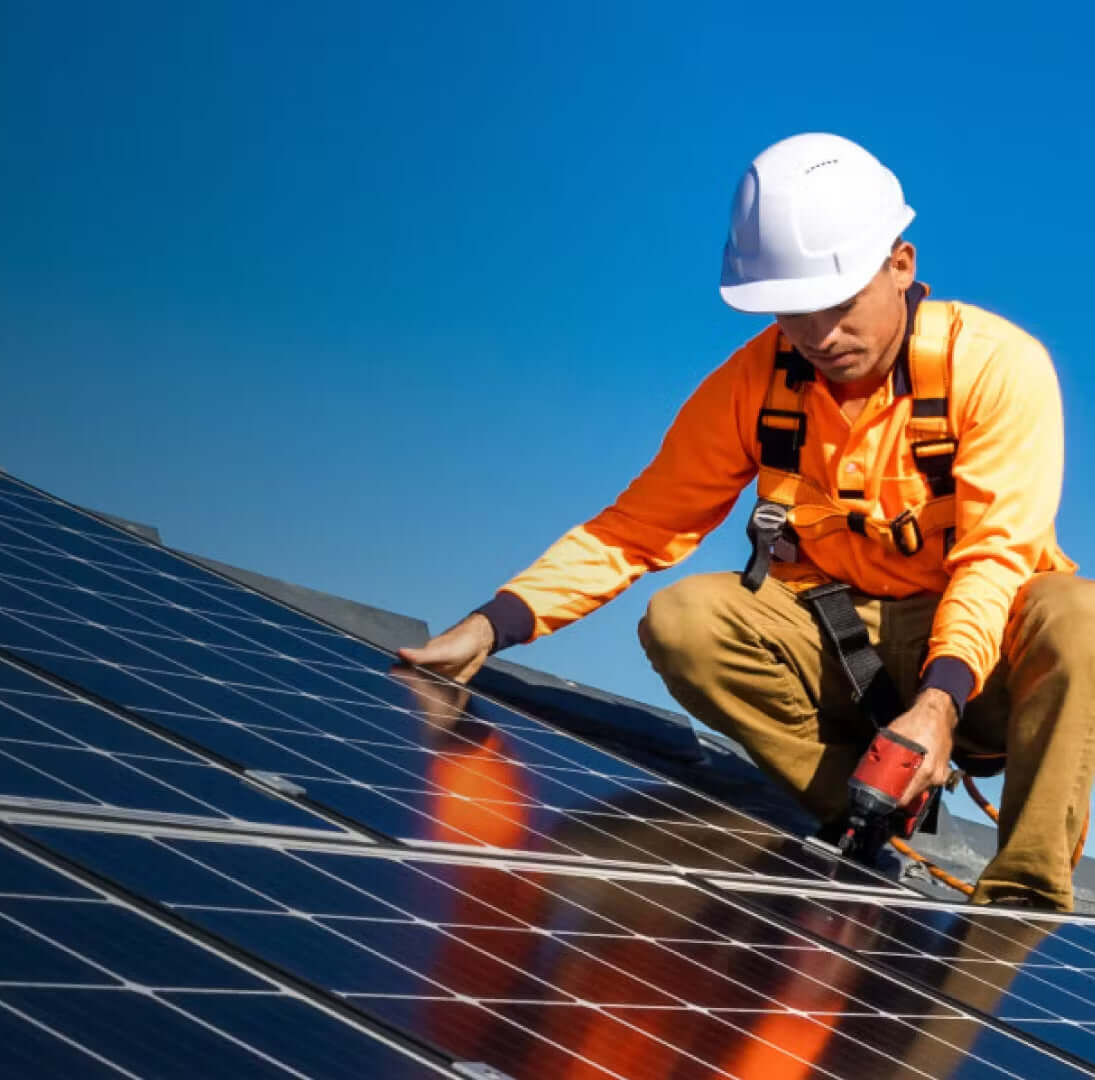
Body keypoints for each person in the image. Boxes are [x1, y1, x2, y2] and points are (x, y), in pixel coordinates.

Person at [398, 132, 1095, 912]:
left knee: (1078, 615)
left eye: (837, 305)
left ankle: (1024, 895)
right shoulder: (752, 385)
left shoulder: (996, 367)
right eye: (791, 313)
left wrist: (936, 705)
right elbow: (637, 526)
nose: (817, 336)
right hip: (843, 649)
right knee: (685, 619)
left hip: (982, 669)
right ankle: (867, 812)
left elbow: (996, 557)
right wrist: (493, 625)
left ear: (900, 265)